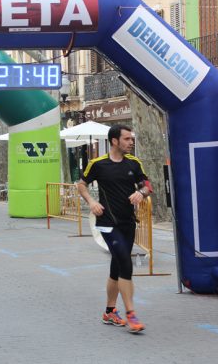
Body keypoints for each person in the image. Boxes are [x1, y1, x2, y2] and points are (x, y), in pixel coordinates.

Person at [77, 124, 152, 333]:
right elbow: (81, 184)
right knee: (125, 262)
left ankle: (109, 311)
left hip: (128, 222)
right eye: (127, 139)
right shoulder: (98, 164)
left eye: (131, 138)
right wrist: (92, 202)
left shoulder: (134, 163)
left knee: (117, 267)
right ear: (114, 141)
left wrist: (142, 193)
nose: (131, 142)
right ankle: (131, 313)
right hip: (107, 223)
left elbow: (147, 185)